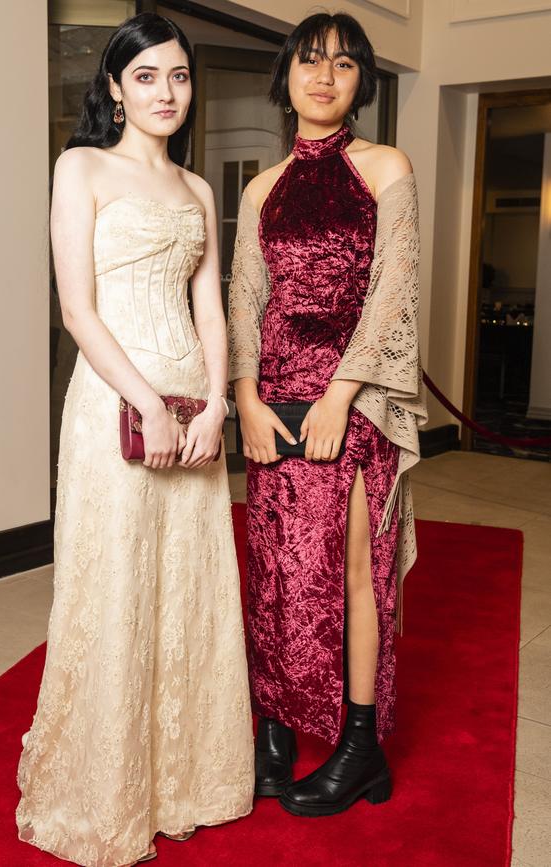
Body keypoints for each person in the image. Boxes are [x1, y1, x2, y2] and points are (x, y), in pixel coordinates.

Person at [16, 13, 254, 865]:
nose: (165, 92)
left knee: (186, 583)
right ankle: (105, 787)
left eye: (179, 77)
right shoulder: (79, 166)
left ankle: (187, 777)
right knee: (116, 580)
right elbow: (77, 309)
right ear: (114, 87)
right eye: (146, 76)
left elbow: (211, 306)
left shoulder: (196, 191)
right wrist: (147, 401)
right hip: (117, 400)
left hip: (193, 402)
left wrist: (217, 405)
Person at [228, 11, 427, 817]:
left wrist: (342, 395)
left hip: (353, 402)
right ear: (287, 76)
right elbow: (246, 299)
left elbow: (393, 291)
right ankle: (273, 739)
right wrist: (244, 395)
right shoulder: (261, 187)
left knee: (352, 575)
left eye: (343, 65)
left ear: (360, 83)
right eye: (310, 61)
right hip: (273, 399)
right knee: (274, 571)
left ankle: (360, 744)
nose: (324, 76)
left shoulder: (385, 167)